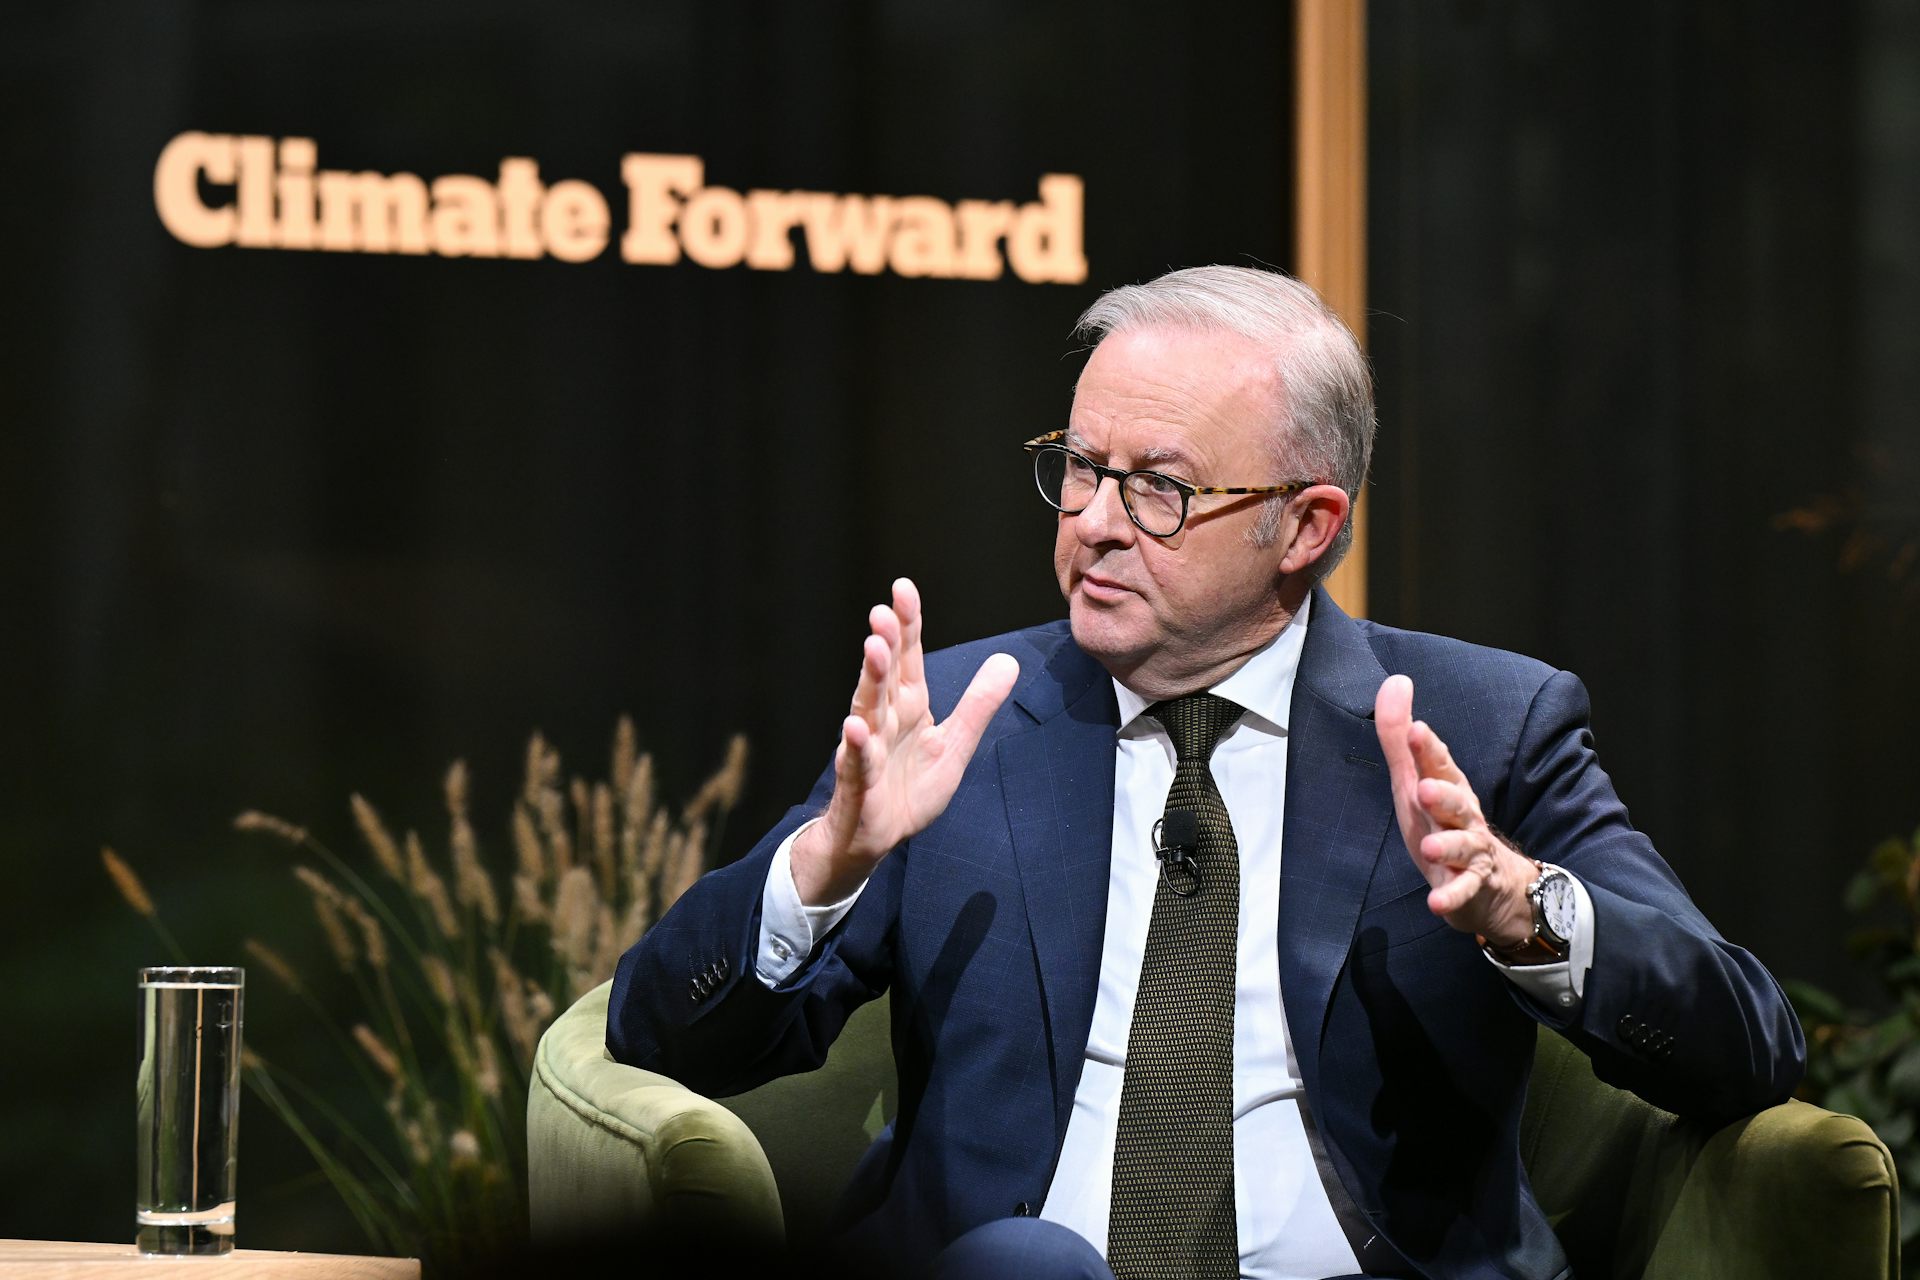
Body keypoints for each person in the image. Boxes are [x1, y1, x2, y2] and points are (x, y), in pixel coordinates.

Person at [607, 265, 1803, 1280]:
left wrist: (1521, 909)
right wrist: (831, 858)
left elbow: (1748, 1039)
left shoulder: (1486, 728)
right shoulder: (965, 720)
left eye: (1161, 488)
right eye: (1080, 467)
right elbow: (663, 1031)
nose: (1095, 522)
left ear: (1306, 524)